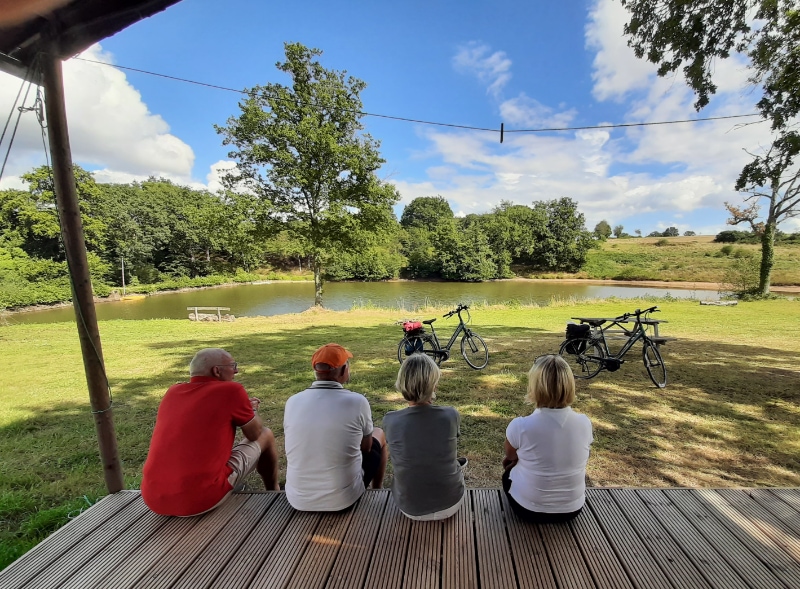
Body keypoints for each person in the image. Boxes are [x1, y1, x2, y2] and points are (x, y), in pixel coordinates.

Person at [141, 348, 279, 516]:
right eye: (232, 366)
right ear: (217, 371)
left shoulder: (172, 392)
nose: (236, 370)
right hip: (200, 499)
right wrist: (253, 411)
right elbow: (254, 434)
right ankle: (274, 492)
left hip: (154, 499)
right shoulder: (232, 391)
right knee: (266, 434)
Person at [283, 343, 388, 511]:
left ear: (316, 371)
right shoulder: (357, 401)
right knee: (379, 433)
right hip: (343, 500)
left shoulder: (292, 401)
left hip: (298, 499)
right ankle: (377, 488)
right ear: (343, 370)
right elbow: (366, 448)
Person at [502, 354, 593, 523]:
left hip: (528, 509)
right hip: (572, 509)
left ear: (534, 386)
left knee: (506, 474)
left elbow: (510, 458)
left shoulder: (520, 425)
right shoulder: (584, 423)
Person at [383, 353, 466, 520]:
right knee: (457, 463)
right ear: (434, 385)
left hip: (410, 508)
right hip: (451, 503)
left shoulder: (390, 420)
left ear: (402, 383)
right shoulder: (450, 415)